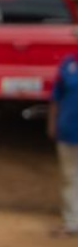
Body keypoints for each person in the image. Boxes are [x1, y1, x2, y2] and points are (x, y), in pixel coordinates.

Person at [48, 51, 78, 237]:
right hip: (68, 131)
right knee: (70, 178)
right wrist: (52, 123)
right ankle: (72, 222)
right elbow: (56, 96)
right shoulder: (68, 64)